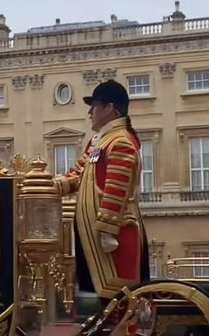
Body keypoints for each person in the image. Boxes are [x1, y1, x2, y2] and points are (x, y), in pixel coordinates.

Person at [54, 79, 149, 301]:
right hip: (92, 235)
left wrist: (108, 228)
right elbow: (78, 174)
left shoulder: (120, 141)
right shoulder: (99, 141)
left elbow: (117, 186)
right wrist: (52, 185)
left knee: (115, 295)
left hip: (110, 236)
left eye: (95, 105)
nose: (90, 112)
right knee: (91, 294)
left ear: (110, 108)